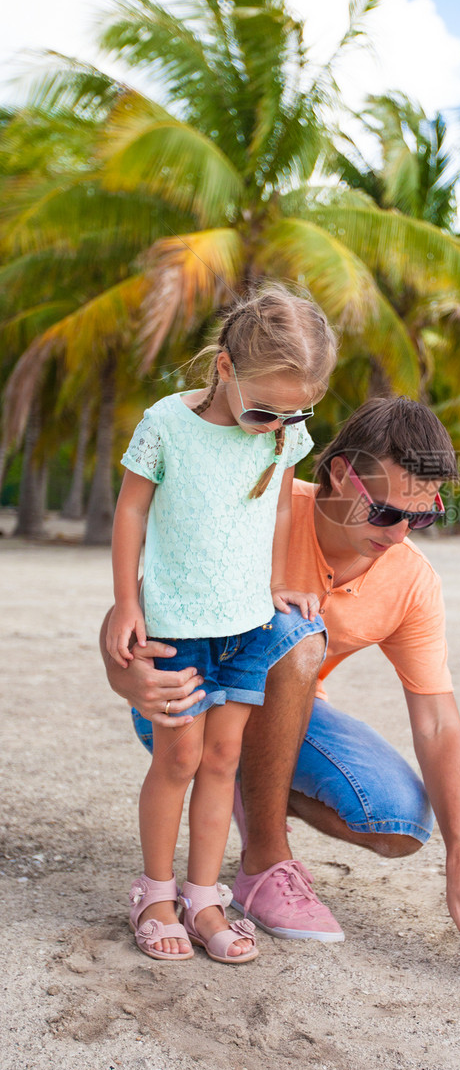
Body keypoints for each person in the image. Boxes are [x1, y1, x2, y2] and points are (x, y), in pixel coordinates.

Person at [103, 398, 460, 964]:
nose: (399, 533)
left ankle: (248, 793)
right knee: (300, 634)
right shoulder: (264, 501)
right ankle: (262, 862)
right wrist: (124, 678)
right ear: (337, 474)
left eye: (420, 517)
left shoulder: (413, 580)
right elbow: (150, 598)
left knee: (399, 823)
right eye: (384, 513)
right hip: (188, 695)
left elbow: (437, 721)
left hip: (283, 713)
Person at [107, 286, 336, 965]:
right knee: (177, 756)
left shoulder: (284, 431)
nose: (276, 426)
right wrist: (126, 603)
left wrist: (281, 581)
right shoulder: (166, 424)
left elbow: (287, 509)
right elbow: (130, 515)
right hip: (175, 624)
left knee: (222, 761)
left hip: (247, 625)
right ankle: (153, 892)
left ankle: (204, 897)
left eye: (297, 412)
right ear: (226, 369)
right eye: (265, 409)